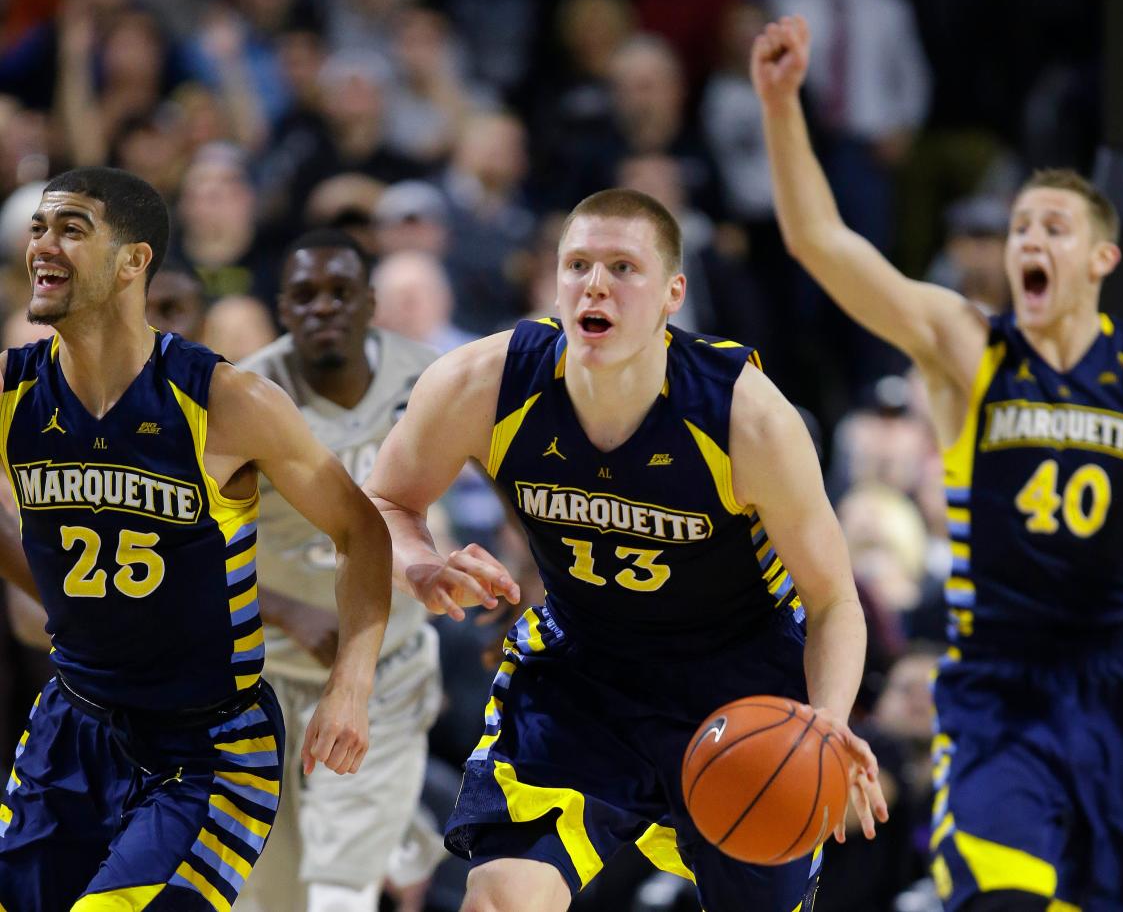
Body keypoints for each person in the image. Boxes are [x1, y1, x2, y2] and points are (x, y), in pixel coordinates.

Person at [753, 15, 1123, 911]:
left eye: (1051, 226)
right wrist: (781, 108)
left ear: (1100, 257)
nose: (1026, 243)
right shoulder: (967, 348)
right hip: (996, 685)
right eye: (1019, 227)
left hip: (1122, 683)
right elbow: (822, 245)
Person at [364, 187, 888, 912]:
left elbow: (833, 601)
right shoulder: (481, 383)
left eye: (621, 267)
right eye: (576, 264)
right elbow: (385, 503)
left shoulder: (745, 416)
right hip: (583, 672)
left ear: (674, 292)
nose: (595, 284)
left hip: (739, 681)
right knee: (499, 898)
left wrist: (825, 724)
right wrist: (420, 564)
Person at [0, 167, 391, 910]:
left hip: (202, 747)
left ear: (133, 261)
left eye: (71, 229)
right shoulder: (11, 391)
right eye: (37, 229)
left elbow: (360, 529)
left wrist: (352, 680)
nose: (43, 246)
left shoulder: (224, 399)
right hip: (69, 727)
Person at [234, 229, 445, 912]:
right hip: (268, 677)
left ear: (369, 302)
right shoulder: (246, 399)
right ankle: (403, 831)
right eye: (304, 296)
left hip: (384, 668)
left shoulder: (433, 378)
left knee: (337, 896)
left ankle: (386, 825)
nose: (323, 307)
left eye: (339, 292)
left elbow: (514, 486)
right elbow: (193, 550)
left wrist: (516, 580)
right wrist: (287, 609)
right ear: (283, 310)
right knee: (272, 898)